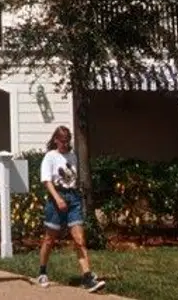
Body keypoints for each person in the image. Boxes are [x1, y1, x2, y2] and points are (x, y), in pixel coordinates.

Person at [36, 126, 105, 293]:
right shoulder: (50, 157)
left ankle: (87, 277)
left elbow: (72, 177)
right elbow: (46, 181)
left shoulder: (72, 156)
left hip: (73, 198)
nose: (66, 145)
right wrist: (58, 198)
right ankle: (42, 271)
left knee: (79, 239)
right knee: (49, 239)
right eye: (63, 142)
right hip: (56, 199)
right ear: (56, 141)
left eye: (68, 141)